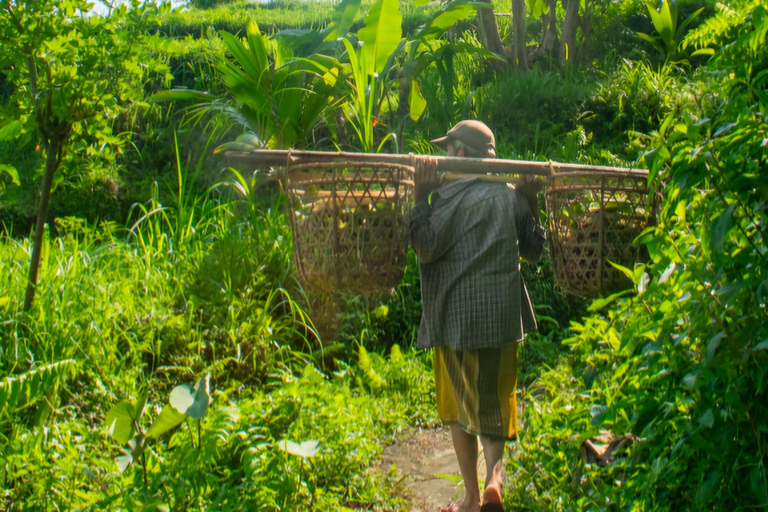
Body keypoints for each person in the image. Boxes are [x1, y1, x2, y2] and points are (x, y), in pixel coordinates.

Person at [409, 120, 546, 512]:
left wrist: (421, 195)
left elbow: (425, 248)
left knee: (457, 409)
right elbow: (535, 252)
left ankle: (471, 497)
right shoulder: (510, 197)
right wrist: (531, 199)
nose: (444, 156)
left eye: (449, 149)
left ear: (461, 154)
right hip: (500, 320)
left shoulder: (447, 200)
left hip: (452, 320)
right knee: (494, 406)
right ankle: (495, 481)